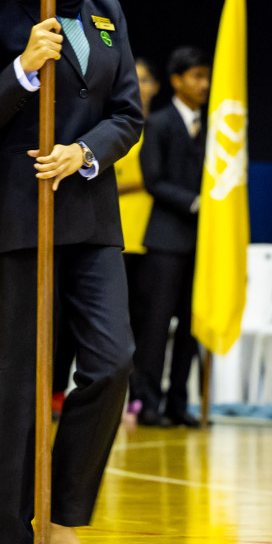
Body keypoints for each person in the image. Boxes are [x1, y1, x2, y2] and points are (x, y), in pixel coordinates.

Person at [0, 0, 141, 544]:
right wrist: (22, 68)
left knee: (112, 362)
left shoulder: (107, 14)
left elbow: (128, 112)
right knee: (24, 386)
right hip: (20, 220)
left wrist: (85, 151)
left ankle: (63, 522)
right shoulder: (3, 14)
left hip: (93, 218)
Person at [131, 46, 210, 428]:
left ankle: (179, 401)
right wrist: (194, 202)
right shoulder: (159, 124)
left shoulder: (214, 128)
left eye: (206, 76)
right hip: (164, 239)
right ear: (176, 81)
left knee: (191, 328)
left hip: (201, 242)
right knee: (156, 325)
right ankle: (148, 402)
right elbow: (153, 180)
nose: (204, 84)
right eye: (196, 76)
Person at [115, 58, 159, 424]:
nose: (141, 85)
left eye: (146, 79)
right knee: (121, 322)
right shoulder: (117, 124)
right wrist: (149, 180)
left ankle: (144, 395)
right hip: (124, 235)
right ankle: (123, 394)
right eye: (136, 78)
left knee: (149, 322)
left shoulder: (156, 129)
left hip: (153, 235)